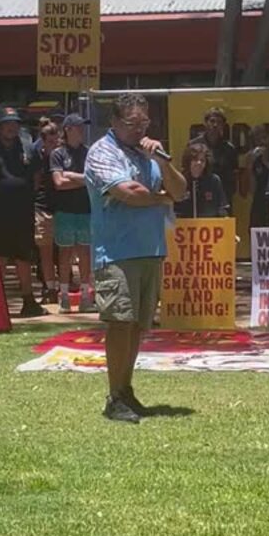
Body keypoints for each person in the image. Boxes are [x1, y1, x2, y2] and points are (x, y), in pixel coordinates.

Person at [85, 93, 186, 423]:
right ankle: (114, 397)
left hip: (150, 250)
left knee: (137, 327)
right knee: (120, 323)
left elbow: (181, 190)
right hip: (116, 253)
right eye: (132, 123)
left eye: (144, 123)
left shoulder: (148, 155)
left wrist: (163, 162)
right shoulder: (102, 152)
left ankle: (126, 390)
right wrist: (162, 198)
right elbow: (129, 194)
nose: (139, 129)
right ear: (114, 122)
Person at [0, 106, 46, 317]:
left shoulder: (28, 149)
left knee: (24, 257)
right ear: (0, 127)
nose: (11, 128)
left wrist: (22, 195)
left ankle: (29, 302)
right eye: (7, 124)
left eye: (15, 124)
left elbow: (37, 177)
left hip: (22, 212)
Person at [50, 113, 94, 313]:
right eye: (78, 127)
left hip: (85, 209)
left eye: (82, 127)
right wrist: (82, 179)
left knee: (85, 251)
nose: (82, 131)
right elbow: (58, 183)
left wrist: (72, 176)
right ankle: (64, 296)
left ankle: (86, 296)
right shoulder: (58, 154)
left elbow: (94, 180)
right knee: (65, 252)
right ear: (67, 130)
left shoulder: (89, 153)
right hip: (65, 210)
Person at [190, 107, 238, 214]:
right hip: (199, 197)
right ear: (206, 123)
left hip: (223, 199)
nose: (215, 125)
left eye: (219, 122)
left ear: (223, 126)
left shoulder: (229, 148)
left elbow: (234, 177)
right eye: (212, 121)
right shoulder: (194, 145)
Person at [32, 122, 60, 304]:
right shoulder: (36, 159)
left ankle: (65, 286)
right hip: (41, 208)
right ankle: (49, 288)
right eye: (50, 141)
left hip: (63, 209)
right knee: (45, 251)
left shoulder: (62, 157)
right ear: (43, 142)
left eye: (56, 141)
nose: (54, 144)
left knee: (66, 252)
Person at [176, 142, 229, 218]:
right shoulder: (179, 180)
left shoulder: (214, 181)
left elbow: (222, 207)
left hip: (209, 227)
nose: (199, 163)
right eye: (195, 159)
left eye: (202, 160)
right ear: (188, 161)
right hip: (184, 227)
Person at [242, 124, 269, 228]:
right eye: (257, 139)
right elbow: (250, 191)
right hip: (259, 206)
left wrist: (266, 162)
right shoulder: (253, 158)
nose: (262, 142)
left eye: (264, 138)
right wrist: (249, 167)